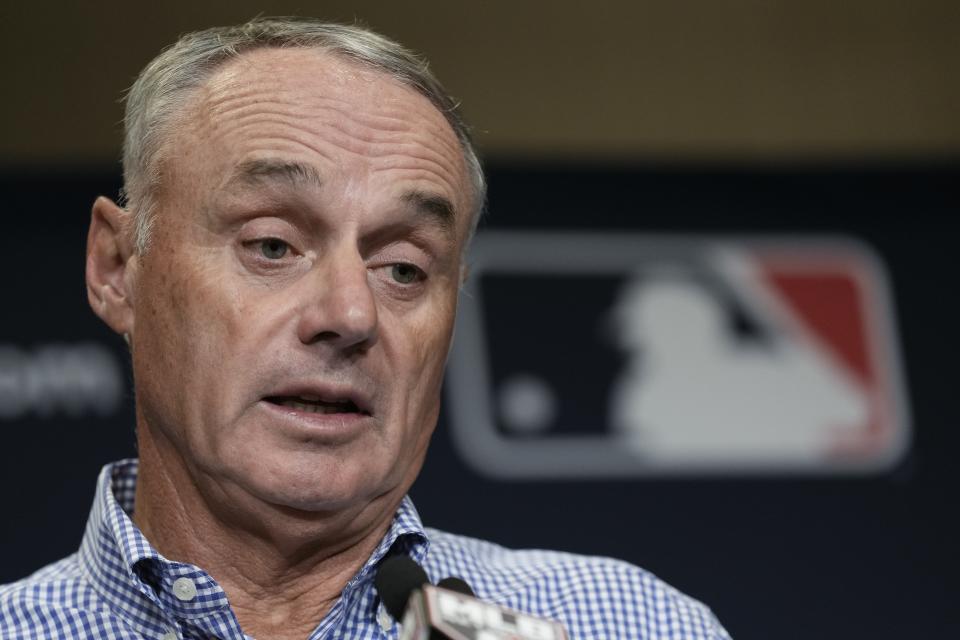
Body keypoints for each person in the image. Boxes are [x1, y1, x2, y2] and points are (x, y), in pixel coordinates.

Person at [0, 17, 730, 640]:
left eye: (405, 269)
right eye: (273, 246)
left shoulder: (628, 626)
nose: (350, 316)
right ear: (117, 266)